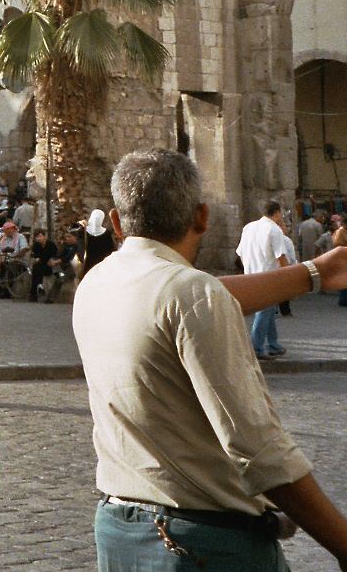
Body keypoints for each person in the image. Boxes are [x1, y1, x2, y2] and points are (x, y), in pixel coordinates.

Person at [75, 148, 347, 570]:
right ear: (201, 217)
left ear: (115, 220)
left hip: (120, 531)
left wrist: (315, 273)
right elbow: (260, 451)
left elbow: (197, 296)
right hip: (203, 545)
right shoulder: (191, 295)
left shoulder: (97, 281)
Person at [237, 199, 290, 359]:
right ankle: (256, 349)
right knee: (264, 311)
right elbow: (280, 256)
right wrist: (287, 274)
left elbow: (240, 253)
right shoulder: (274, 230)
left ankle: (274, 345)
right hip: (268, 277)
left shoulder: (249, 227)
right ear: (278, 213)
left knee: (267, 310)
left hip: (250, 275)